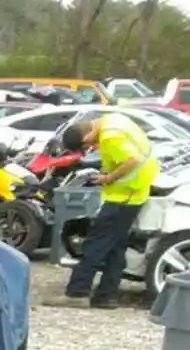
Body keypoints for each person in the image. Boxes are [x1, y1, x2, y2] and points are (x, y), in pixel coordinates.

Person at [59, 111, 159, 309]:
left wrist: (108, 178)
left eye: (86, 146)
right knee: (116, 246)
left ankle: (77, 292)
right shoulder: (113, 120)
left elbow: (132, 159)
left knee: (96, 242)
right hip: (134, 193)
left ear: (86, 137)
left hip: (124, 195)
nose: (90, 149)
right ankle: (107, 295)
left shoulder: (110, 135)